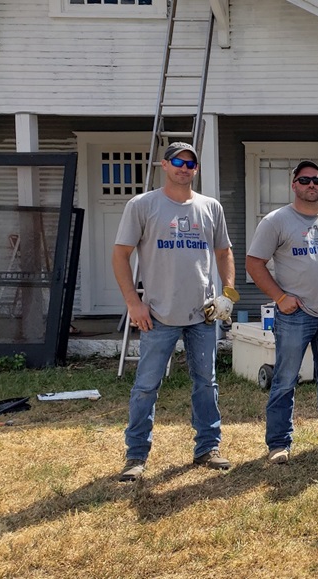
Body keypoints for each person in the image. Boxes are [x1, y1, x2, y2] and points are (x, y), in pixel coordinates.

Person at [112, 142, 235, 482]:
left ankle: (208, 448)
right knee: (146, 387)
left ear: (196, 169)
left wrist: (227, 294)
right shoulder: (143, 205)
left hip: (204, 315)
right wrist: (133, 304)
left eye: (190, 163)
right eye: (178, 161)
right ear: (164, 165)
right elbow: (120, 255)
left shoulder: (211, 208)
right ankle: (136, 456)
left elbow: (224, 252)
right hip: (158, 314)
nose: (184, 167)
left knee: (206, 383)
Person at [246, 161, 318, 464]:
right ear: (294, 185)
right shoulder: (276, 221)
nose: (311, 185)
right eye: (305, 180)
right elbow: (254, 263)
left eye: (317, 181)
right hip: (294, 314)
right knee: (285, 378)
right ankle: (278, 444)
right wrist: (279, 297)